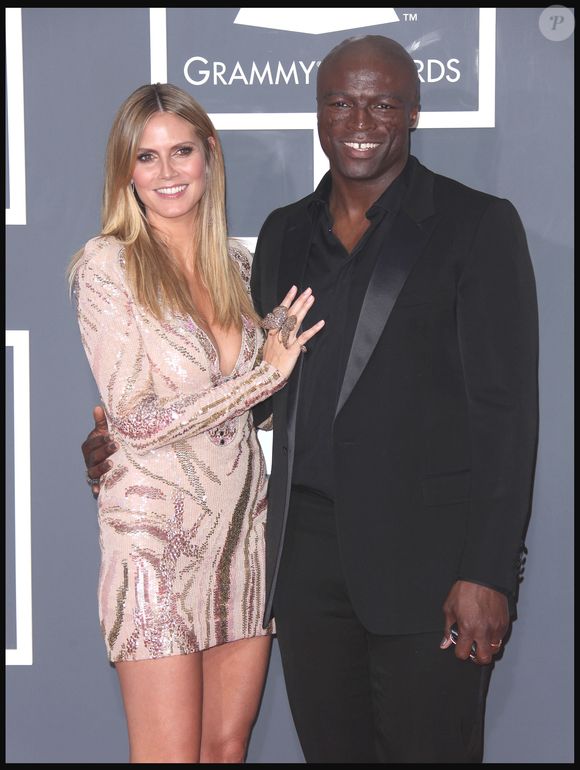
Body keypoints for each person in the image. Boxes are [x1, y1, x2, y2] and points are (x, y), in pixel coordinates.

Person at [82, 35, 539, 764]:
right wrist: (119, 437)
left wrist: (488, 570)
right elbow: (261, 391)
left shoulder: (476, 225)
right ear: (319, 114)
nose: (360, 119)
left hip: (429, 571)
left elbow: (507, 415)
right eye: (340, 103)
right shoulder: (283, 235)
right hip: (300, 569)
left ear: (413, 112)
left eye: (381, 103)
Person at [68, 82, 323, 764]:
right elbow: (137, 420)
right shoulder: (107, 266)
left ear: (209, 157)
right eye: (146, 158)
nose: (168, 171)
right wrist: (264, 374)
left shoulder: (240, 267)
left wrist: (281, 365)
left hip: (244, 538)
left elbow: (256, 405)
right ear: (126, 172)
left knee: (225, 748)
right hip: (154, 544)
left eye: (182, 151)